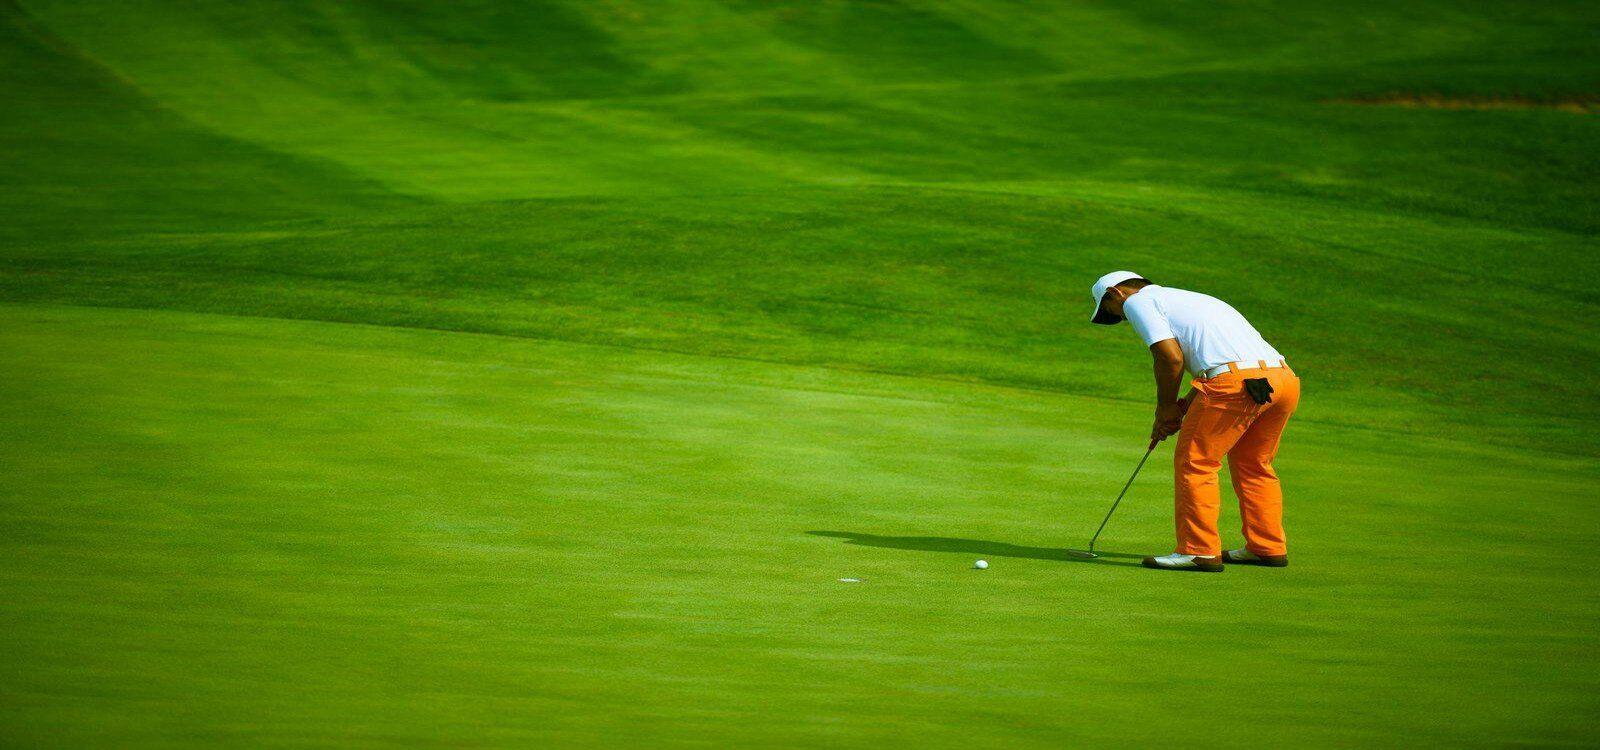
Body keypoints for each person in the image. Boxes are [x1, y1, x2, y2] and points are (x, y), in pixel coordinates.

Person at [1088, 271, 1301, 572]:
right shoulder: (1193, 298)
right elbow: (1220, 364)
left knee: (1195, 462)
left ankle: (1198, 550)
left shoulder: (1138, 302)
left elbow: (1170, 359)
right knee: (1254, 464)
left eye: (1112, 312)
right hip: (1282, 380)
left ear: (1115, 294)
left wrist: (1164, 409)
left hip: (1235, 384)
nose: (1122, 318)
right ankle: (1266, 546)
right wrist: (1182, 406)